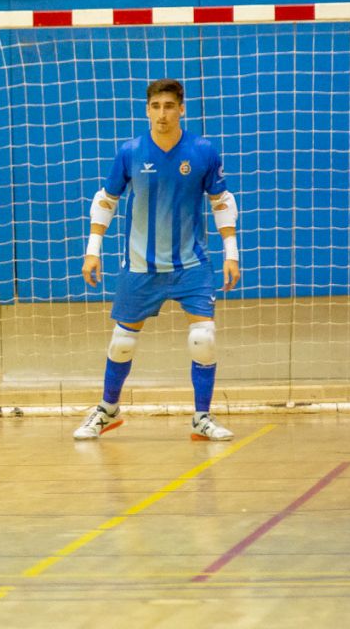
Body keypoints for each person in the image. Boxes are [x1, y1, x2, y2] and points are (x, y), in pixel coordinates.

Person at [77, 79, 241, 442]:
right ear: (147, 110)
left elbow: (221, 201)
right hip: (140, 266)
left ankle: (201, 417)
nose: (162, 113)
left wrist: (232, 254)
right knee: (121, 343)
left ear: (182, 108)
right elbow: (106, 200)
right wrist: (92, 250)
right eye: (155, 106)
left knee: (204, 338)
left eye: (169, 106)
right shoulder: (130, 151)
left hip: (191, 266)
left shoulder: (202, 151)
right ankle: (108, 410)